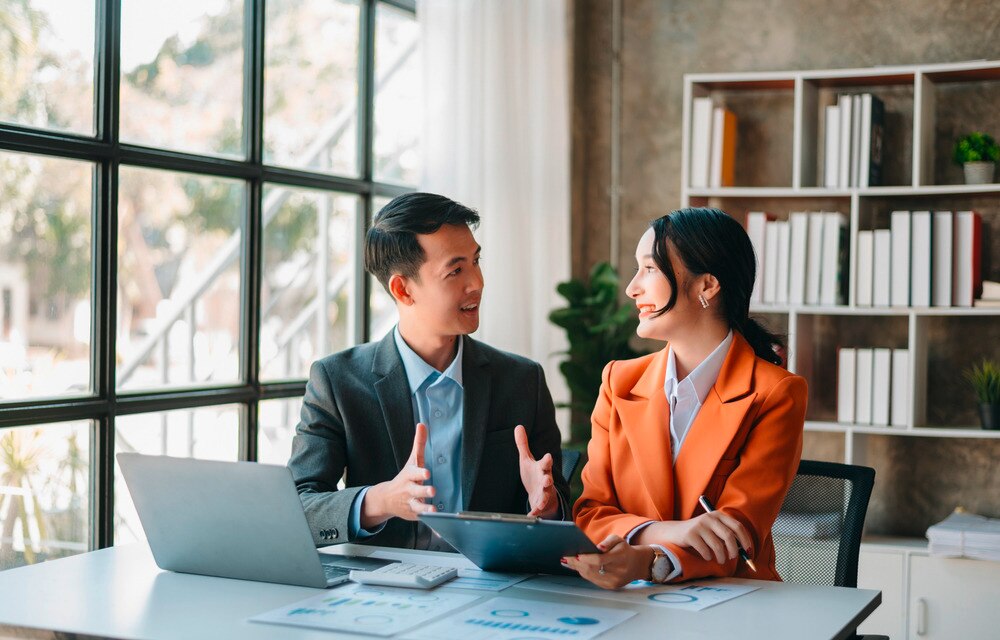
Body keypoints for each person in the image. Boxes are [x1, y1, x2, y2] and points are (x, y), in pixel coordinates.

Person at [288, 192, 570, 552]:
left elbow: (559, 507)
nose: (477, 283)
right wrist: (383, 500)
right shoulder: (337, 381)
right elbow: (300, 506)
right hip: (382, 590)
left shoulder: (522, 381)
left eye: (475, 261)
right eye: (455, 270)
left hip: (492, 591)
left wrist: (547, 507)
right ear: (403, 289)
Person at [563, 207, 807, 588]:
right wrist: (669, 532)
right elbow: (591, 514)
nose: (632, 288)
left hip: (732, 602)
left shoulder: (775, 392)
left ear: (707, 285)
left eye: (650, 269)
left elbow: (736, 535)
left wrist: (649, 561)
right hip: (626, 602)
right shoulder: (618, 381)